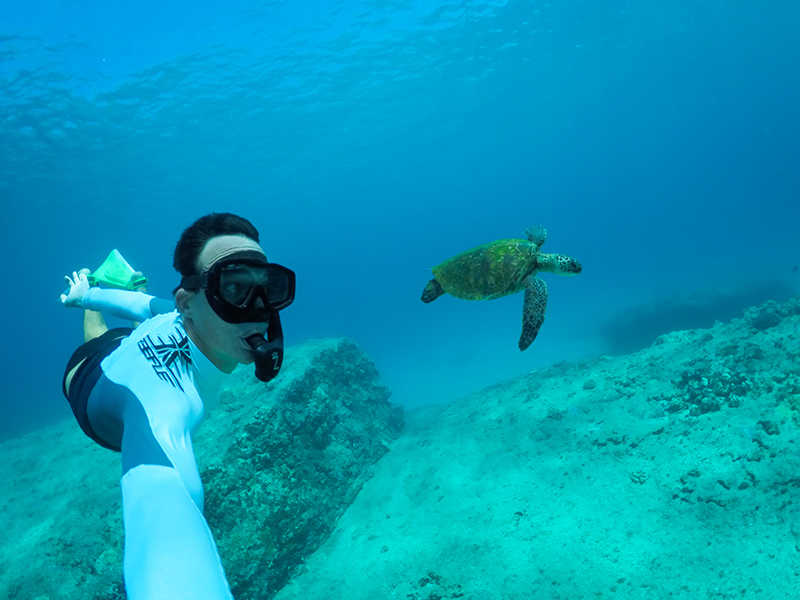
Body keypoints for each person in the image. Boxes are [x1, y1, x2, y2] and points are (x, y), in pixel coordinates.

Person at [60, 213, 296, 599]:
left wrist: (82, 295)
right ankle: (96, 288)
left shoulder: (176, 312)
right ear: (189, 304)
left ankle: (97, 288)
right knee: (96, 338)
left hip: (142, 340)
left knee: (140, 316)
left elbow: (140, 304)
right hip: (88, 374)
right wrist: (84, 300)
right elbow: (162, 515)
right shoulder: (163, 411)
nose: (259, 309)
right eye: (234, 288)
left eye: (269, 288)